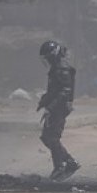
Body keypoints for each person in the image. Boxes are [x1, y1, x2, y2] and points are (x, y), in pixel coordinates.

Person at [37, 40, 79, 181]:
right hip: (56, 107)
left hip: (59, 109)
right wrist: (44, 100)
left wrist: (51, 107)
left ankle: (64, 165)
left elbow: (65, 91)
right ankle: (66, 162)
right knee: (47, 137)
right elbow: (55, 90)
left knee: (52, 137)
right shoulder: (57, 68)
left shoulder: (62, 68)